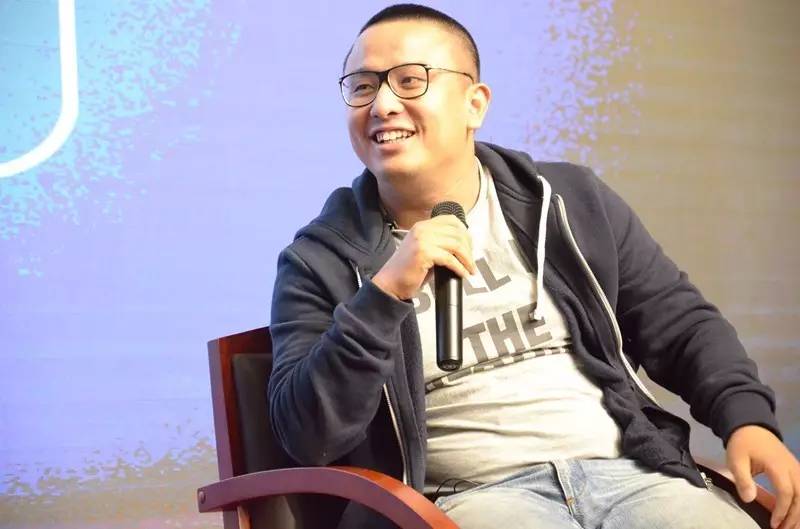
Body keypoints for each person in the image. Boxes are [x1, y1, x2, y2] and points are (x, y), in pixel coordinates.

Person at [268, 4, 800, 529]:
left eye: (410, 81)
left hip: (630, 475)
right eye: (363, 87)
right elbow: (307, 434)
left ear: (474, 104)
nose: (383, 104)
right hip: (469, 498)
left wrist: (746, 419)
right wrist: (386, 292)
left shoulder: (568, 201)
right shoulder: (318, 259)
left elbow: (680, 324)